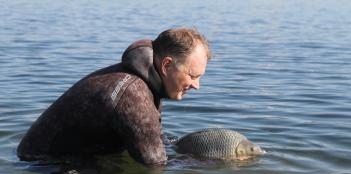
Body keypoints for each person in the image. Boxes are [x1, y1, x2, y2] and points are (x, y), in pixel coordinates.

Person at [17, 28, 211, 166]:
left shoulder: (143, 81)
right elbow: (155, 164)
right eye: (192, 76)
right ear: (166, 65)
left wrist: (178, 147)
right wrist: (210, 161)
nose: (196, 86)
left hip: (64, 158)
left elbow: (155, 139)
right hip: (44, 166)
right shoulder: (133, 95)